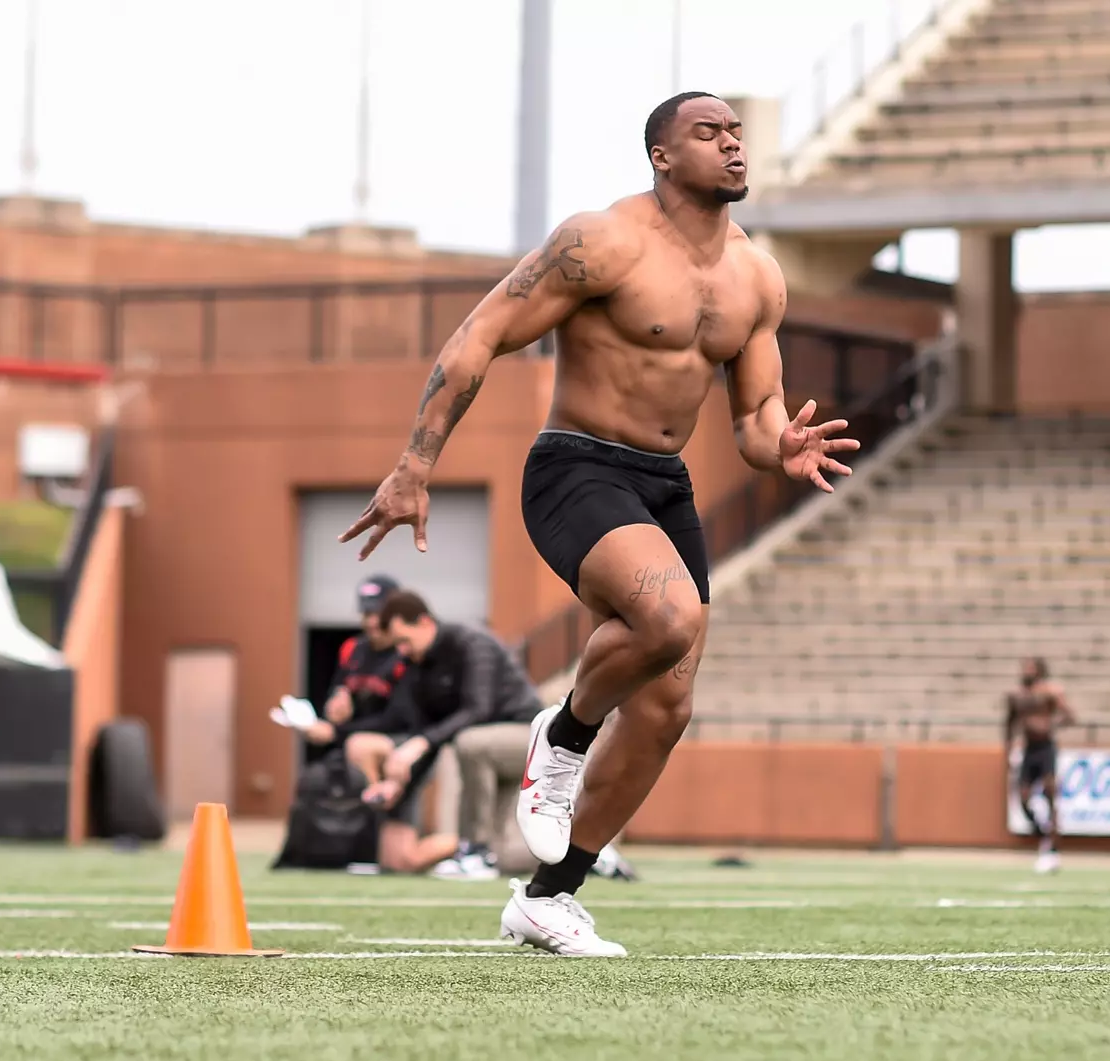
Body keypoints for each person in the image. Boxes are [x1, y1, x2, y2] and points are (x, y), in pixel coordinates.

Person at [339, 91, 859, 956]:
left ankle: (548, 896)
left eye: (737, 134)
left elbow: (755, 419)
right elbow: (481, 335)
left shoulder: (756, 276)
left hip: (664, 483)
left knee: (666, 705)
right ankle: (566, 732)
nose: (732, 147)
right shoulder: (603, 242)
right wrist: (415, 463)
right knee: (668, 618)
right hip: (576, 467)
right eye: (709, 134)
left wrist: (784, 447)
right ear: (661, 156)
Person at [305, 590, 545, 874]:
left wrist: (419, 743)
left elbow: (478, 709)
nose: (402, 651)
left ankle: (474, 850)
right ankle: (587, 859)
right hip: (486, 750)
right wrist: (397, 782)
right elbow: (417, 726)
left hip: (528, 739)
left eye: (405, 640)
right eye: (397, 645)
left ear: (425, 623)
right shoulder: (416, 664)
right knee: (504, 855)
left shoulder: (471, 642)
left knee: (470, 742)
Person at [311, 575, 407, 758]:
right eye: (367, 614)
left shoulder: (405, 652)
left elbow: (399, 717)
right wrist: (335, 704)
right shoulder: (352, 648)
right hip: (351, 740)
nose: (372, 622)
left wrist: (337, 732)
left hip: (395, 742)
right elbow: (338, 690)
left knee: (360, 749)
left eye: (378, 615)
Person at [1005, 657, 1077, 875]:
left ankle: (1053, 848)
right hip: (1028, 749)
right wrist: (1007, 751)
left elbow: (1070, 716)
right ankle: (1043, 835)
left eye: (1031, 668)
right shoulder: (1016, 695)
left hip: (1046, 748)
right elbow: (1009, 724)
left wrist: (1049, 726)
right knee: (1023, 798)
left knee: (1049, 794)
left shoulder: (1051, 692)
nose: (1026, 671)